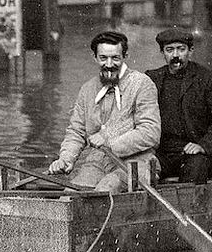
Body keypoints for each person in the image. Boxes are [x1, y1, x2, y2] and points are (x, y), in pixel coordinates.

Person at [47, 31, 161, 192]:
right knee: (70, 196)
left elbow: (151, 132)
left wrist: (109, 140)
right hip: (97, 162)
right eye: (103, 58)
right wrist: (66, 158)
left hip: (137, 163)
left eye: (115, 58)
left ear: (125, 56)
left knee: (105, 191)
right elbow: (76, 132)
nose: (109, 64)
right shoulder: (87, 89)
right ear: (95, 57)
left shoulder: (142, 84)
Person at [146, 27, 212, 185]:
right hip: (163, 153)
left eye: (181, 49)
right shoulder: (152, 78)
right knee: (141, 167)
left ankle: (190, 209)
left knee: (196, 167)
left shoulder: (208, 78)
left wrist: (203, 145)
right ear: (162, 52)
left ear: (191, 51)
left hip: (198, 153)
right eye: (170, 50)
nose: (176, 55)